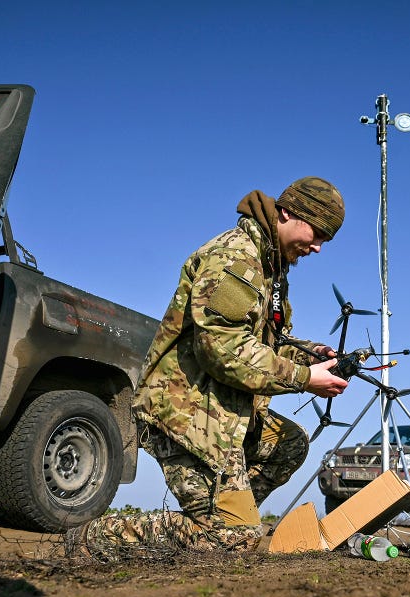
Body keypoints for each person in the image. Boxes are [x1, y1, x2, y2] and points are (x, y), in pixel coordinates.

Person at [66, 177, 350, 560]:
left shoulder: (270, 269)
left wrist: (309, 355)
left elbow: (263, 345)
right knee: (234, 540)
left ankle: (222, 517)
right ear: (288, 213)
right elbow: (222, 348)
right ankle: (95, 538)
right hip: (187, 413)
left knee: (289, 443)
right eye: (318, 233)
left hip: (222, 415)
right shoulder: (237, 257)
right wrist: (303, 379)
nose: (317, 247)